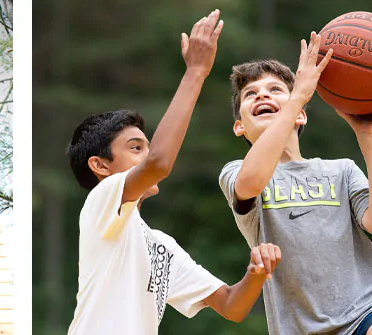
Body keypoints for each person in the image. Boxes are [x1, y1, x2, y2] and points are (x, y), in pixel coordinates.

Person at [63, 10, 284, 334]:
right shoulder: (100, 201)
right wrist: (195, 71)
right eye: (136, 147)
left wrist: (255, 272)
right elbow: (160, 164)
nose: (149, 154)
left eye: (148, 146)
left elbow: (230, 305)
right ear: (100, 166)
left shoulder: (159, 245)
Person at [217, 33, 372, 334]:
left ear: (301, 117)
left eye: (274, 90)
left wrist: (369, 136)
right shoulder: (236, 172)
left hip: (369, 308)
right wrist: (295, 97)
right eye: (250, 94)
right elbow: (252, 183)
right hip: (299, 327)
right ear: (239, 126)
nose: (262, 96)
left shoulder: (341, 171)